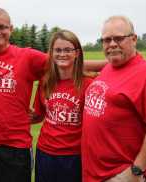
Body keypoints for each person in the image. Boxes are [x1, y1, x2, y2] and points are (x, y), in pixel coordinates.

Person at [0, 7, 106, 182]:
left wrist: (109, 63)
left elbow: (63, 61)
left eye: (2, 27)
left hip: (16, 146)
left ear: (11, 29)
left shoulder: (27, 57)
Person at [81, 15, 146, 182]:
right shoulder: (109, 67)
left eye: (118, 38)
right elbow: (82, 64)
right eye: (106, 40)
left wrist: (137, 169)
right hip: (93, 172)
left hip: (120, 175)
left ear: (134, 39)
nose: (112, 44)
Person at [31, 30, 93, 182]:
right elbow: (38, 115)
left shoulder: (88, 84)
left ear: (77, 53)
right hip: (45, 152)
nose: (62, 54)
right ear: (51, 53)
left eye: (67, 50)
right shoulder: (46, 82)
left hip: (74, 155)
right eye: (58, 50)